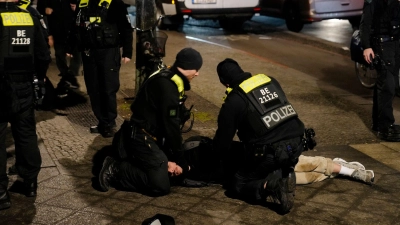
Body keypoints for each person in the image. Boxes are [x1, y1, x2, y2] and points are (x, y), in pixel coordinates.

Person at [97, 48, 203, 196]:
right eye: (196, 69)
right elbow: (171, 127)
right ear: (187, 67)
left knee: (168, 171)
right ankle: (116, 169)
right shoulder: (168, 87)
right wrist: (181, 162)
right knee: (160, 185)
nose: (197, 73)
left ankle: (152, 164)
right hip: (141, 135)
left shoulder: (168, 75)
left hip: (151, 135)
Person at [213, 58, 306, 214]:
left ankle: (273, 186)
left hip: (271, 153)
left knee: (238, 184)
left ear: (225, 83)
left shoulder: (234, 100)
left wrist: (214, 159)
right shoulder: (270, 81)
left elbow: (223, 143)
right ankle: (284, 170)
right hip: (298, 143)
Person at [0, 0, 51, 210]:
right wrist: (38, 79)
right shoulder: (30, 14)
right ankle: (30, 183)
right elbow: (43, 54)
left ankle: (1, 194)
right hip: (25, 85)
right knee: (26, 133)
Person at [66, 0, 133, 137]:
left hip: (108, 52)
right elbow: (76, 26)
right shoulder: (83, 3)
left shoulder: (114, 3)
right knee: (93, 89)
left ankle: (109, 123)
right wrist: (70, 46)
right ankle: (102, 121)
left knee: (108, 88)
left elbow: (126, 28)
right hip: (89, 52)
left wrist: (127, 52)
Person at [359, 0, 400, 141]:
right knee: (387, 85)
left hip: (395, 44)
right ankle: (385, 126)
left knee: (389, 84)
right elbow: (366, 23)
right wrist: (366, 46)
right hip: (382, 44)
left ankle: (379, 123)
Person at [43, 0, 81, 97]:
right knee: (59, 53)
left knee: (76, 52)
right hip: (57, 27)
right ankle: (67, 74)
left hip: (73, 27)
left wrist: (77, 9)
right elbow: (43, 9)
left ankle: (70, 74)